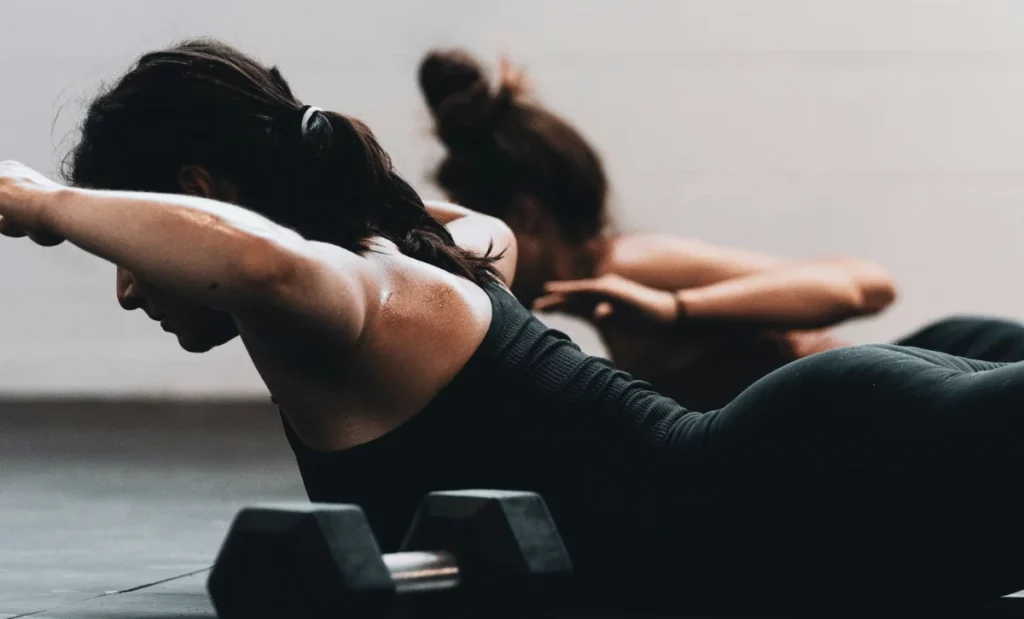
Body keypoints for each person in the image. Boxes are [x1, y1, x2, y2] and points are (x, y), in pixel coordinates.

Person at [7, 39, 1024, 611]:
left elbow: (257, 257)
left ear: (198, 193)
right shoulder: (428, 249)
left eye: (128, 251)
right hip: (819, 502)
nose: (128, 288)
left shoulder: (346, 296)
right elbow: (465, 225)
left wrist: (43, 203)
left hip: (811, 484)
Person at [418, 49, 1024, 410]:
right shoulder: (606, 298)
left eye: (477, 235)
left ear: (525, 217)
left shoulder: (628, 266)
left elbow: (864, 286)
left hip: (963, 370)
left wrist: (677, 308)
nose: (471, 259)